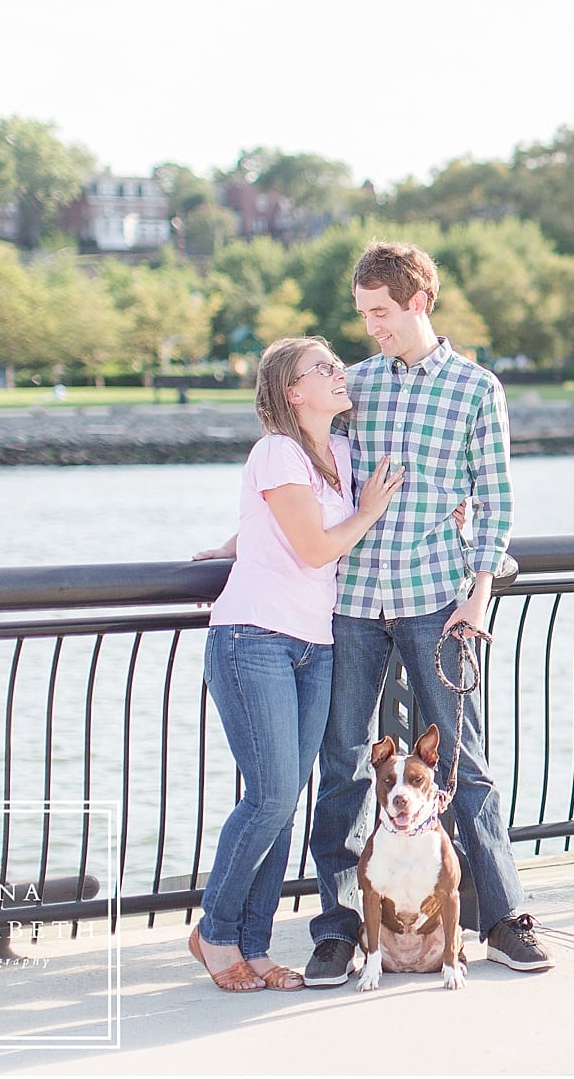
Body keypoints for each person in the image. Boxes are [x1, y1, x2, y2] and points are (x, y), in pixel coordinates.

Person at [302, 240, 553, 985]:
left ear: (418, 302)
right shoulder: (357, 386)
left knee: (464, 764)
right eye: (362, 313)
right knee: (343, 767)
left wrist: (480, 590)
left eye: (379, 312)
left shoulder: (477, 388)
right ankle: (342, 928)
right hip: (352, 603)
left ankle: (505, 918)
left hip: (437, 603)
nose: (370, 326)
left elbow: (497, 498)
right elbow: (315, 473)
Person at [187, 337, 405, 992]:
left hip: (315, 644)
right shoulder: (277, 449)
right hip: (253, 637)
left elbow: (277, 522)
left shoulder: (337, 451)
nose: (340, 374)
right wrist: (369, 511)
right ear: (292, 392)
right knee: (274, 793)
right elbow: (313, 548)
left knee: (282, 802)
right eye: (323, 369)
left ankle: (254, 947)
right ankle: (215, 930)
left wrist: (233, 539)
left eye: (338, 365)